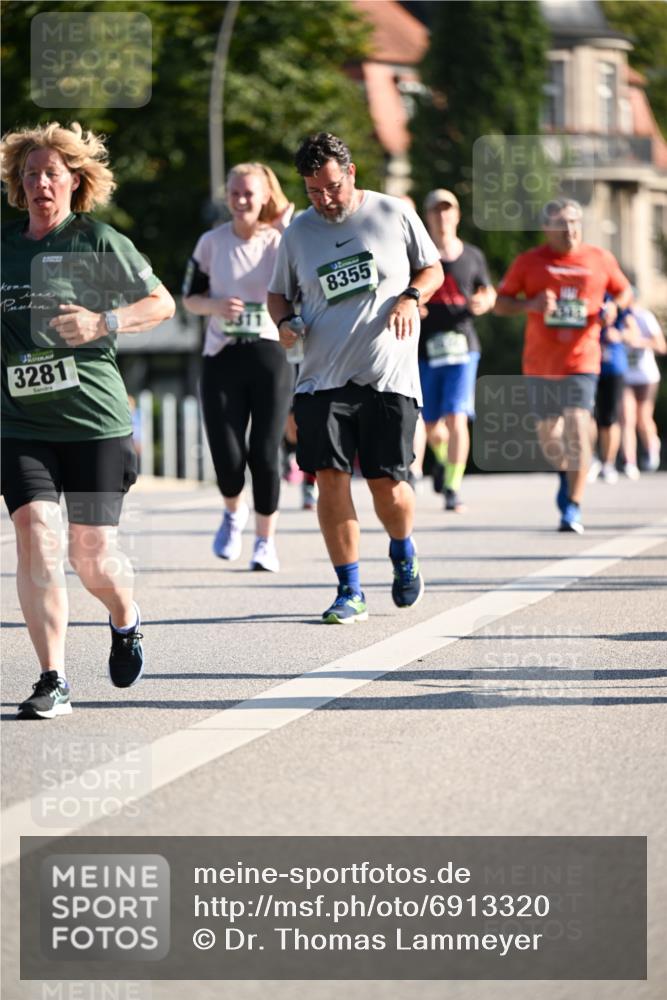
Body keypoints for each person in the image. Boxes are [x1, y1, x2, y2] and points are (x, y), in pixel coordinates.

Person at [1, 121, 175, 718]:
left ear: (75, 181)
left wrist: (105, 322)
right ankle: (53, 677)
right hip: (21, 425)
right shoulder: (4, 247)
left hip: (95, 423)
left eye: (52, 173)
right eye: (30, 174)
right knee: (37, 539)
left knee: (92, 555)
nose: (41, 183)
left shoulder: (98, 242)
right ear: (18, 187)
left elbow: (162, 303)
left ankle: (124, 617)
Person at [267, 132, 443, 623]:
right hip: (321, 377)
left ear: (351, 174)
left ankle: (403, 549)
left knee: (388, 485)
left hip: (388, 375)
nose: (324, 200)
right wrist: (284, 324)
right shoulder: (299, 231)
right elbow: (278, 295)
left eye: (331, 188)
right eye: (313, 191)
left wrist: (411, 296)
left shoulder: (392, 213)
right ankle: (349, 590)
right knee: (329, 479)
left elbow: (433, 270)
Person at [494, 197, 631, 533]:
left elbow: (625, 291)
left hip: (583, 358)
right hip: (540, 363)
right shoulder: (529, 262)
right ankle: (567, 475)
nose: (569, 230)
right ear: (547, 228)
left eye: (574, 222)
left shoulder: (600, 258)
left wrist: (614, 307)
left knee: (577, 425)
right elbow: (501, 303)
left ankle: (573, 506)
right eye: (561, 224)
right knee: (550, 435)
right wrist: (532, 303)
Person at [183, 163, 294, 572]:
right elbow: (190, 298)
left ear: (265, 195)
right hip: (222, 356)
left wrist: (285, 229)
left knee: (265, 453)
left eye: (249, 193)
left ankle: (266, 542)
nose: (241, 200)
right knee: (227, 456)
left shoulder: (279, 240)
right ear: (226, 196)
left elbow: (301, 282)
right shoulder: (211, 242)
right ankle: (233, 512)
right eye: (234, 193)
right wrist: (214, 305)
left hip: (269, 354)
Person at [419, 189, 496, 511]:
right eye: (436, 211)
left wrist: (485, 301)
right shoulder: (419, 255)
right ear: (428, 217)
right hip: (425, 346)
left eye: (447, 210)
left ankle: (453, 486)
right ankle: (441, 460)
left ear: (457, 215)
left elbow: (488, 290)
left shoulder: (472, 255)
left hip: (463, 346)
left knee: (457, 417)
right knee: (431, 425)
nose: (442, 216)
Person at [587, 294, 638, 484]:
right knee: (586, 415)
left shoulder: (617, 298)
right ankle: (591, 460)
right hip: (585, 365)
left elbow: (633, 333)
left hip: (613, 367)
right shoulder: (583, 291)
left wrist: (619, 335)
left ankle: (608, 463)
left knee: (609, 419)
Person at [621, 298, 666, 477]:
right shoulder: (617, 317)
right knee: (626, 418)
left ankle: (652, 446)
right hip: (625, 376)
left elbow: (661, 346)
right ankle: (629, 461)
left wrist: (637, 342)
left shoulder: (644, 317)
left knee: (643, 418)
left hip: (646, 375)